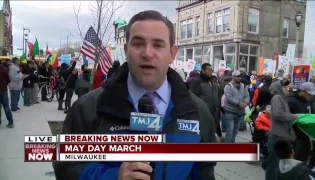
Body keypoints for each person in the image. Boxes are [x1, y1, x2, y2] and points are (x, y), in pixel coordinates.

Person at [53, 10, 217, 180]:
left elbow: (204, 170)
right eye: (138, 44)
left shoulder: (198, 112)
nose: (147, 53)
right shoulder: (88, 108)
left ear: (172, 53)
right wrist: (112, 177)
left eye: (158, 45)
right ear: (126, 50)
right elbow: (66, 167)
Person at [264, 80, 298, 180]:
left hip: (281, 135)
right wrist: (293, 116)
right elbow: (278, 114)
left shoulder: (283, 98)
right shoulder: (277, 97)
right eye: (284, 87)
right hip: (277, 136)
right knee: (274, 164)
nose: (287, 88)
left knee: (276, 163)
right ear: (279, 88)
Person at [287, 82, 315, 163]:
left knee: (302, 159)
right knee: (294, 160)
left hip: (305, 134)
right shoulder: (290, 101)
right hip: (295, 136)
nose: (311, 96)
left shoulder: (307, 101)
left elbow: (309, 113)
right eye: (309, 94)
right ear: (302, 91)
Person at [190, 63, 223, 142]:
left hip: (215, 110)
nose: (210, 72)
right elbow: (192, 96)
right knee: (204, 133)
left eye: (211, 70)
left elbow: (216, 93)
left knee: (213, 128)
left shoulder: (213, 80)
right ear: (203, 70)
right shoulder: (197, 81)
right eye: (208, 70)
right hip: (203, 111)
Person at [223, 70, 250, 143]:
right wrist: (239, 103)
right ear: (233, 77)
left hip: (239, 112)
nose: (239, 78)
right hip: (230, 111)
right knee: (230, 131)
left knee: (235, 131)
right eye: (237, 76)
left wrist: (245, 103)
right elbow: (229, 98)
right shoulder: (228, 86)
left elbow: (247, 96)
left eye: (240, 76)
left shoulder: (243, 86)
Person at [0, 62, 14, 128]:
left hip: (3, 89)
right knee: (6, 106)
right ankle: (11, 122)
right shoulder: (4, 69)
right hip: (3, 90)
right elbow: (8, 80)